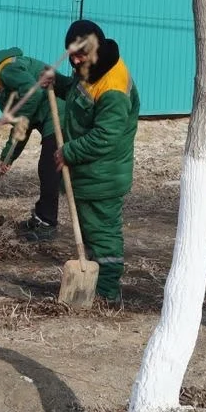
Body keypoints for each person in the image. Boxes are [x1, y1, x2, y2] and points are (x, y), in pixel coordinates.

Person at [42, 19, 139, 304]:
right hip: (89, 174)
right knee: (92, 232)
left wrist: (69, 152)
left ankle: (107, 293)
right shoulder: (92, 68)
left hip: (104, 175)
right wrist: (57, 82)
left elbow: (105, 135)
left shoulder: (113, 86)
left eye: (79, 54)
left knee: (103, 234)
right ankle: (96, 283)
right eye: (70, 54)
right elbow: (77, 93)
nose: (74, 60)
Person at [0, 48, 60, 241]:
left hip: (58, 111)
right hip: (45, 116)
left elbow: (33, 95)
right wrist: (7, 157)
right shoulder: (1, 90)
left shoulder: (6, 70)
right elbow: (20, 127)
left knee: (48, 167)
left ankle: (47, 223)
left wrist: (22, 121)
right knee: (49, 169)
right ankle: (41, 217)